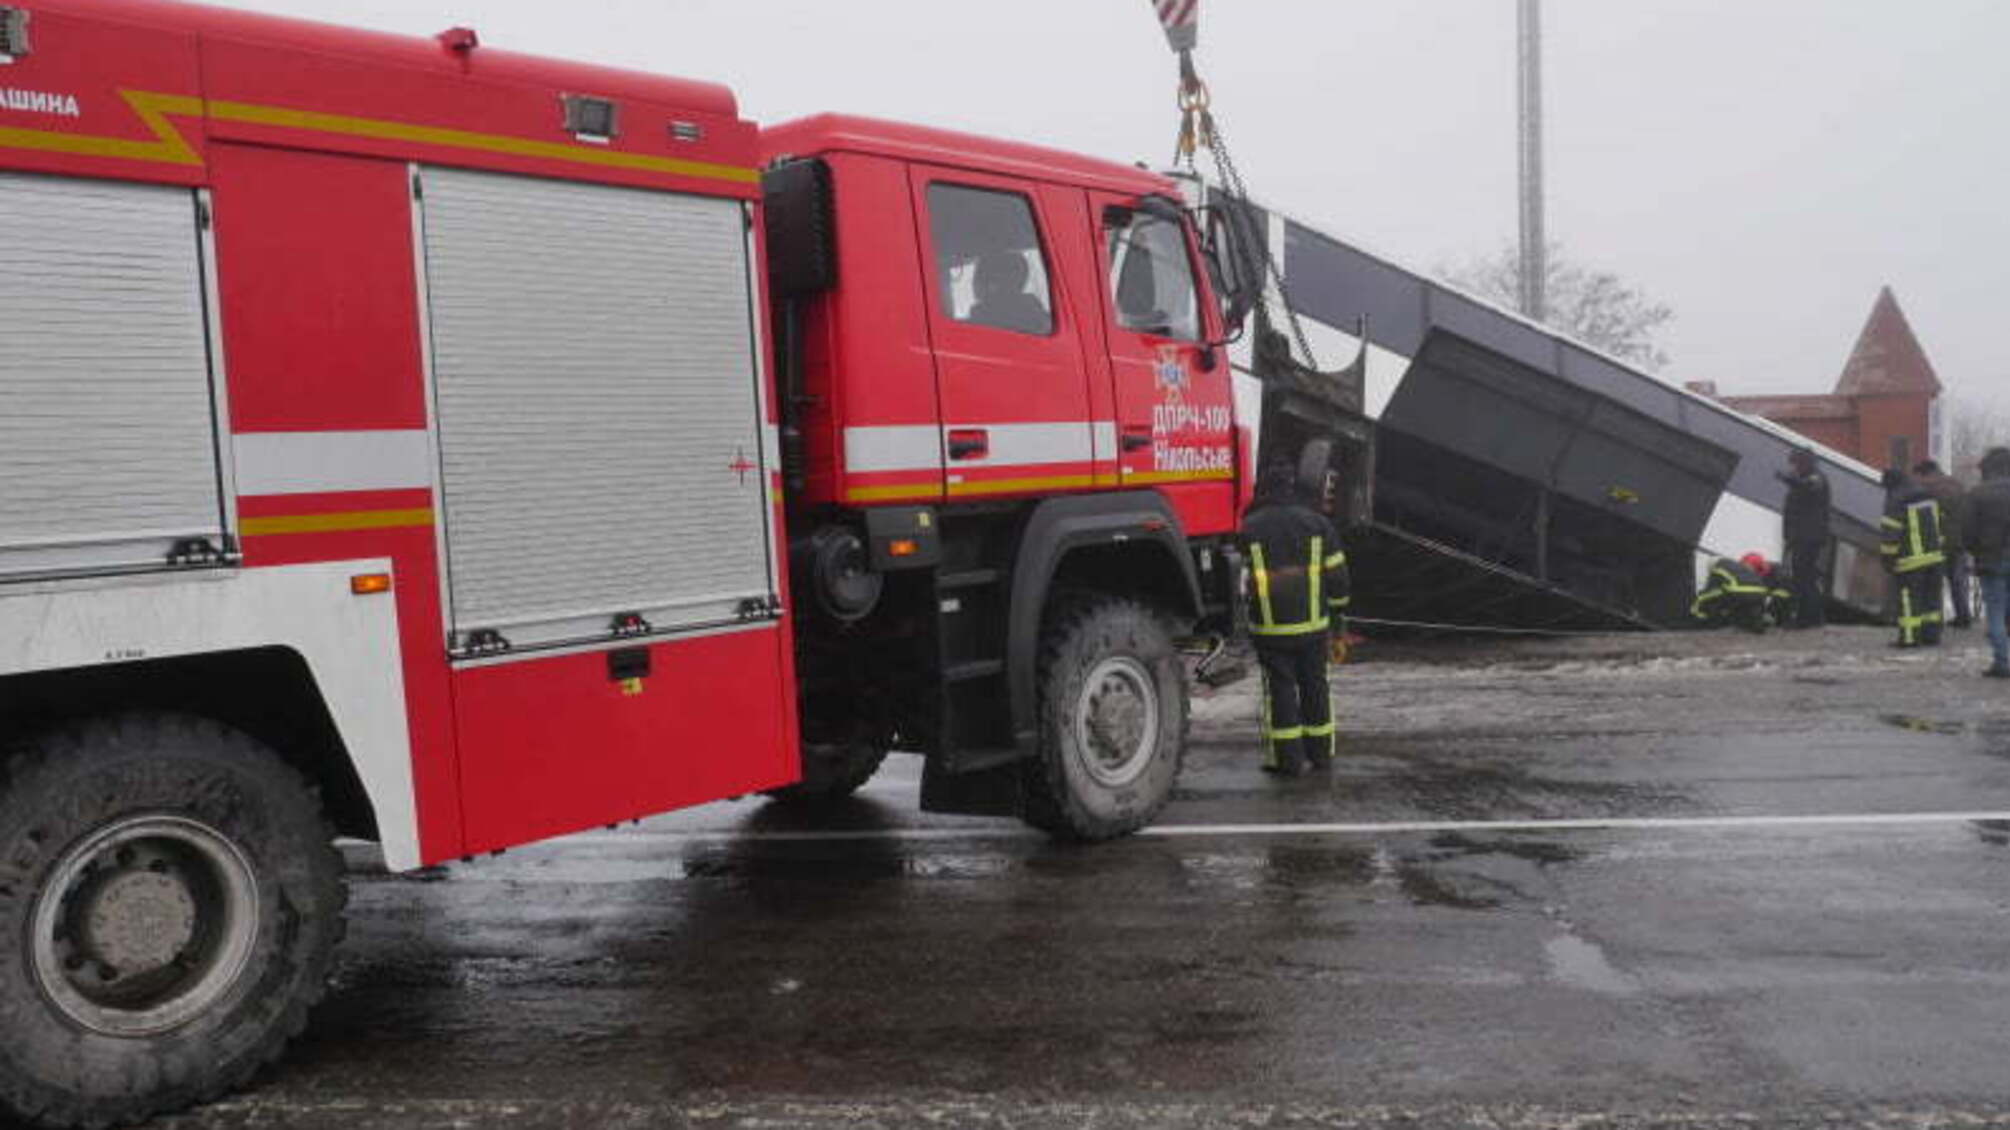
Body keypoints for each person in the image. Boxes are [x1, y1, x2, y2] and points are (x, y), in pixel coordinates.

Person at [1242, 459, 1350, 776]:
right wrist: (1339, 616)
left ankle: (1287, 760)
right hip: (1314, 627)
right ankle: (1321, 755)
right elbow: (1339, 578)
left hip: (1270, 629)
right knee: (1316, 686)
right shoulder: (1318, 524)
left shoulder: (1249, 527)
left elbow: (1241, 581)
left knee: (1280, 690)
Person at [1880, 468, 1947, 648]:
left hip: (1911, 560)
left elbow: (1891, 531)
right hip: (1934, 556)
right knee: (1931, 600)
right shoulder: (1927, 495)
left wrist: (1887, 557)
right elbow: (1939, 523)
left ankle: (1909, 638)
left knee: (1909, 600)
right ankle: (1931, 635)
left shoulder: (1896, 499)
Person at [1965, 447, 2010, 678]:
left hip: (1991, 560)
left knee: (1996, 611)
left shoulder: (1978, 493)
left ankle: (2003, 663)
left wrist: (1976, 552)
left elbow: (1968, 531)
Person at [1775, 447, 1831, 628]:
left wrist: (1790, 480)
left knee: (1803, 576)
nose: (1793, 467)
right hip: (1801, 535)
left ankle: (1806, 619)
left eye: (1796, 464)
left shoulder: (1817, 478)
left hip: (1808, 536)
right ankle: (1812, 617)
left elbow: (1809, 487)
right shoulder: (1806, 477)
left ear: (1805, 463)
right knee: (1804, 576)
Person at [1914, 459, 1972, 628]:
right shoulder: (1957, 485)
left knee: (1934, 582)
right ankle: (1963, 616)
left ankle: (1935, 618)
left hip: (1940, 542)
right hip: (1960, 541)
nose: (1918, 481)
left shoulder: (1930, 490)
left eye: (1919, 477)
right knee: (1958, 581)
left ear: (1928, 474)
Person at [1692, 554, 1773, 633]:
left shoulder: (1718, 569)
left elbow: (1709, 592)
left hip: (1740, 592)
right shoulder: (1737, 566)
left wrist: (1697, 610)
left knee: (1720, 595)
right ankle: (1754, 622)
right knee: (1745, 606)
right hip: (1761, 592)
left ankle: (1717, 620)